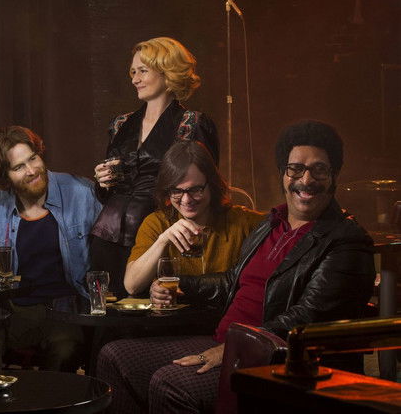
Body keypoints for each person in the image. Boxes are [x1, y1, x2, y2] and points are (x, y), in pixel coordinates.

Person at [97, 121, 375, 413]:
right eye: (295, 169)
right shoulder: (271, 224)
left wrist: (233, 349)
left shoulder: (346, 240)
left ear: (334, 176)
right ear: (283, 174)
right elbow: (234, 280)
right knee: (114, 356)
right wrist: (181, 285)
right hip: (227, 340)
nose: (306, 180)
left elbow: (307, 318)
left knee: (170, 383)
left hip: (276, 359)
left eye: (319, 170)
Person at [0, 126, 103, 372]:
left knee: (65, 348)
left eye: (33, 158)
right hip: (17, 308)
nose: (31, 170)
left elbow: (109, 254)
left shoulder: (81, 193)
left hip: (67, 307)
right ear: (5, 176)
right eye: (18, 167)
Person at [90, 37, 219, 298]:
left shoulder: (192, 123)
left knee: (152, 310)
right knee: (105, 310)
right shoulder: (120, 124)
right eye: (133, 72)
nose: (135, 79)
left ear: (167, 72)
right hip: (106, 234)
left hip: (156, 236)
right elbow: (107, 194)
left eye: (143, 71)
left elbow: (205, 189)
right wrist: (102, 182)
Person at [124, 141, 263, 295]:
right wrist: (163, 241)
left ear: (212, 184)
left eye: (195, 189)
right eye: (177, 191)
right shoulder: (156, 223)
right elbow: (131, 285)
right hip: (175, 311)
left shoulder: (242, 222)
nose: (186, 200)